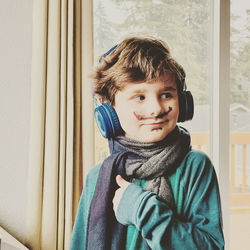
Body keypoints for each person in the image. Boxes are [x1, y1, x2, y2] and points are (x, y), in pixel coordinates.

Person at [70, 36, 224, 250]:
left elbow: (211, 246)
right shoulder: (97, 177)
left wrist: (144, 210)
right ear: (109, 111)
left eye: (166, 94)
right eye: (140, 97)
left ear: (183, 102)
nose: (156, 109)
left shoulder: (196, 167)